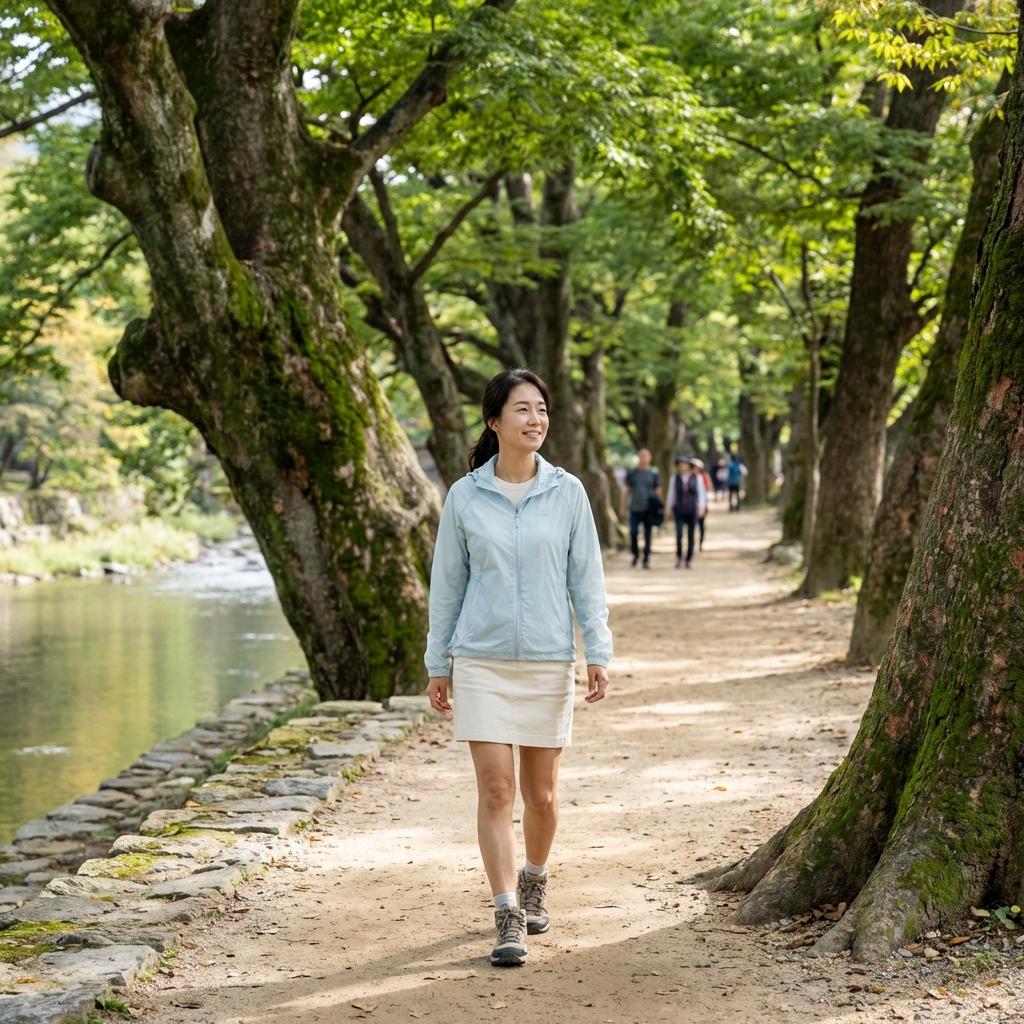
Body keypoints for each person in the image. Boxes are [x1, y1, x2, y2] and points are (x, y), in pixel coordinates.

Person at [424, 368, 612, 969]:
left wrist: (598, 652)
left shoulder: (568, 492)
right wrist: (437, 661)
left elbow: (586, 579)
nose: (536, 420)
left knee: (542, 796)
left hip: (547, 661)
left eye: (542, 409)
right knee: (496, 789)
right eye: (523, 409)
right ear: (495, 421)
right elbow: (447, 586)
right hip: (480, 660)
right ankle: (506, 912)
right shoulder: (464, 496)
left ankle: (535, 876)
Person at [619, 448, 660, 569]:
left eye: (645, 456)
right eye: (641, 456)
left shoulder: (653, 473)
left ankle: (646, 558)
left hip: (649, 509)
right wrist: (622, 506)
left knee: (648, 535)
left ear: (650, 458)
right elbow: (625, 490)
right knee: (633, 533)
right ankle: (635, 554)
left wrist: (658, 507)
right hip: (635, 508)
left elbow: (658, 490)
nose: (643, 458)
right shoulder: (632, 473)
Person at [666, 456, 707, 569]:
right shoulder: (675, 478)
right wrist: (669, 507)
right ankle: (679, 556)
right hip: (679, 509)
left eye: (684, 464)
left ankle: (689, 558)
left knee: (691, 534)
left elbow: (701, 493)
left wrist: (701, 507)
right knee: (679, 533)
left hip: (692, 509)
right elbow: (672, 494)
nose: (682, 466)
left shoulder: (697, 478)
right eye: (680, 464)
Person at [692, 457, 713, 550]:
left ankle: (700, 543)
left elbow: (709, 488)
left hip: (702, 503)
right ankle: (692, 543)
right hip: (691, 505)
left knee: (701, 524)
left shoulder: (704, 476)